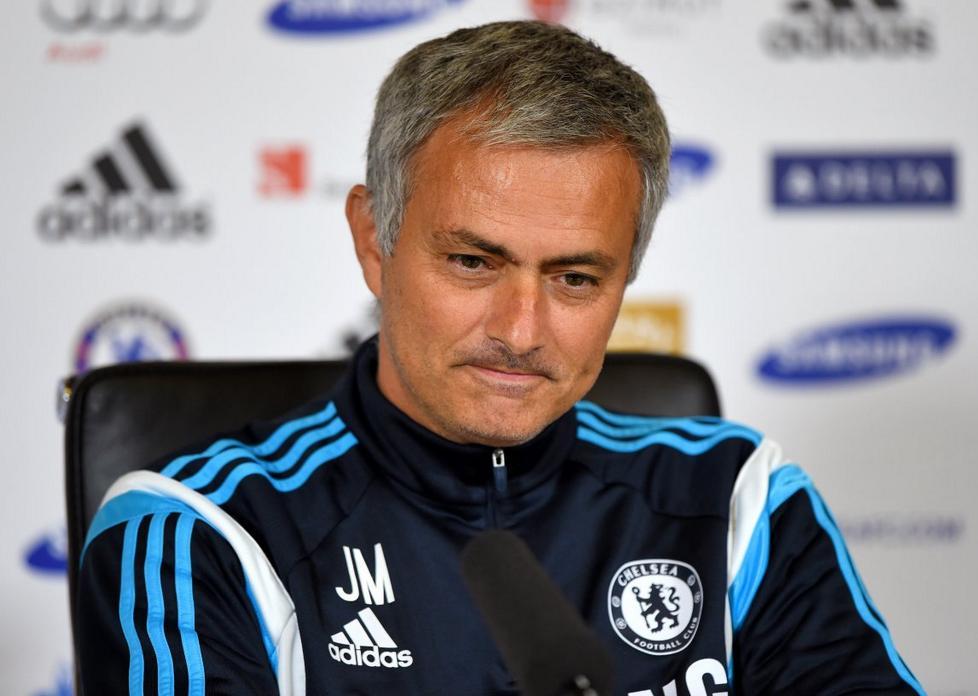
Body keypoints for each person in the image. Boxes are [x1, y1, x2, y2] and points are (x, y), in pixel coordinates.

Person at [76, 20, 924, 696]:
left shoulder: (737, 501)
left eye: (576, 278)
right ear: (374, 240)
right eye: (473, 262)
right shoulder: (199, 531)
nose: (521, 330)